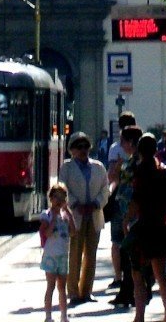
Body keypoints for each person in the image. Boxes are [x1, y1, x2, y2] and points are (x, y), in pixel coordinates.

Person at [124, 134, 166, 322]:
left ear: (139, 149)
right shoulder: (162, 170)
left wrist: (126, 219)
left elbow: (136, 199)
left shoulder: (140, 171)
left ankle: (139, 317)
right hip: (161, 224)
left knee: (137, 274)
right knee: (161, 275)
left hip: (144, 226)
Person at [63, 132, 109, 305]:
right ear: (72, 150)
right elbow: (63, 188)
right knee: (74, 253)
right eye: (78, 147)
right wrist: (75, 204)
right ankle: (73, 292)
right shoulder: (66, 168)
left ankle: (86, 291)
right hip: (75, 216)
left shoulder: (98, 167)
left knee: (91, 254)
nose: (83, 150)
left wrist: (96, 204)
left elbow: (105, 189)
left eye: (86, 146)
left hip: (94, 215)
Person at [107, 123, 141, 308]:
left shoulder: (135, 163)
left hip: (131, 214)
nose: (122, 145)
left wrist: (128, 217)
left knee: (130, 256)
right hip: (129, 213)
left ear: (130, 142)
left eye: (124, 141)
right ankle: (128, 292)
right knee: (128, 255)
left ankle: (132, 293)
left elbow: (129, 189)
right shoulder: (133, 161)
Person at [40, 182, 75, 322]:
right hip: (50, 256)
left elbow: (73, 232)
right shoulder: (46, 215)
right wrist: (54, 218)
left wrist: (69, 215)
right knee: (51, 286)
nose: (59, 200)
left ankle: (64, 316)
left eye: (63, 197)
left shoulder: (65, 216)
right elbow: (47, 233)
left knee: (62, 287)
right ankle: (48, 316)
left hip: (63, 255)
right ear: (51, 198)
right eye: (56, 197)